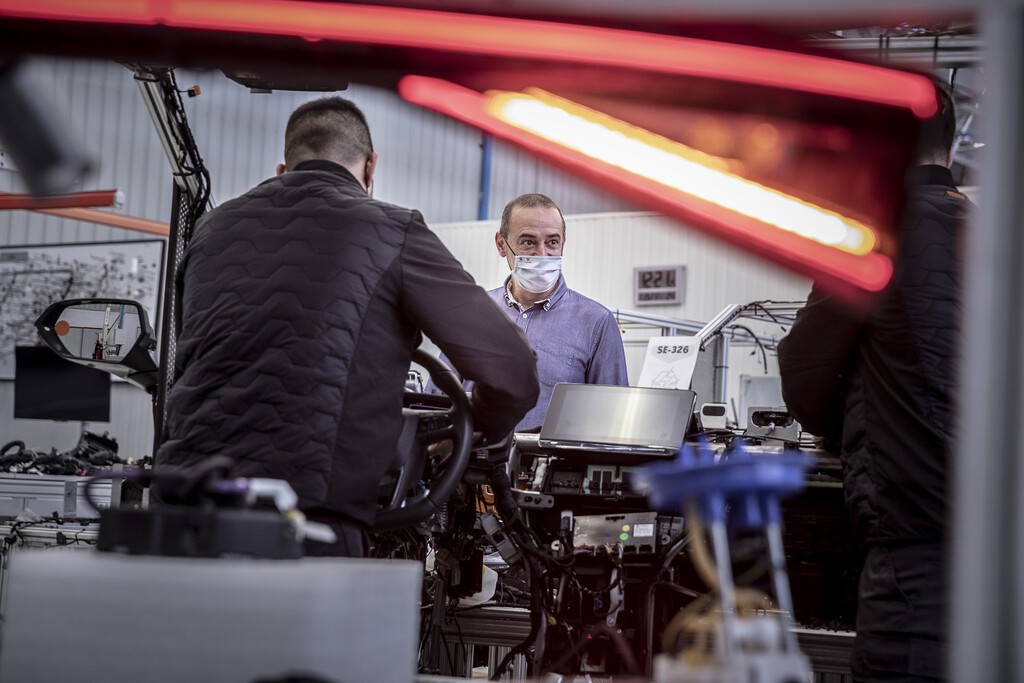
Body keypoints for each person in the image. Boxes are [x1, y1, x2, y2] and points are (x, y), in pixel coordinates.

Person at [156, 96, 539, 557]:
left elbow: (191, 350)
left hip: (181, 507)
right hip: (306, 517)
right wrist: (479, 428)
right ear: (370, 167)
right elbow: (511, 369)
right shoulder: (391, 230)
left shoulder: (211, 229)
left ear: (284, 170)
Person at [777, 83, 968, 683]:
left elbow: (803, 377)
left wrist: (852, 420)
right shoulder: (988, 232)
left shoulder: (869, 235)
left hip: (912, 536)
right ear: (952, 143)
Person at [436, 193, 628, 432]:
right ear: (501, 244)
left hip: (552, 465)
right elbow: (437, 402)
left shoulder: (596, 324)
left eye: (552, 242)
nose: (542, 253)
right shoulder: (472, 314)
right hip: (475, 461)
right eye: (528, 242)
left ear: (563, 243)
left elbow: (612, 420)